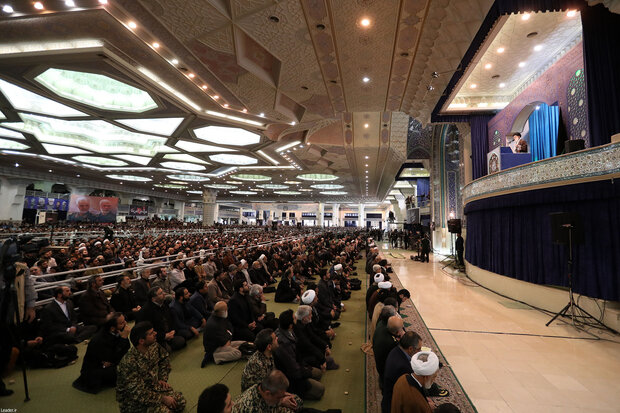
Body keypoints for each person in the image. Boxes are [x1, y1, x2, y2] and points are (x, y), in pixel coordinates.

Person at [116, 321, 186, 413]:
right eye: (151, 333)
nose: (155, 333)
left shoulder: (154, 346)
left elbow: (164, 359)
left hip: (152, 388)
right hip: (134, 402)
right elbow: (137, 393)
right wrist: (162, 399)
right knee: (166, 411)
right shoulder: (129, 363)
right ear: (141, 341)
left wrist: (162, 379)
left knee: (180, 402)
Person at [73, 312, 130, 394]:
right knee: (123, 370)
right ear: (112, 328)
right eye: (122, 323)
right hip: (95, 370)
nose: (125, 324)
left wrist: (123, 339)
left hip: (108, 363)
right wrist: (123, 339)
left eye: (124, 321)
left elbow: (125, 350)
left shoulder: (117, 332)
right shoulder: (99, 340)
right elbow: (112, 357)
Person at [274, 310, 324, 401]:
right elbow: (293, 370)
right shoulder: (283, 344)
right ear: (290, 325)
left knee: (318, 373)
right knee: (320, 390)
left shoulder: (288, 330)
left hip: (298, 365)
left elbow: (297, 354)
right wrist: (306, 372)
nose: (296, 318)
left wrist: (305, 367)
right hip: (291, 377)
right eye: (294, 318)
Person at [382, 331, 422, 413]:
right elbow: (411, 393)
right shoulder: (403, 367)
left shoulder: (396, 350)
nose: (420, 352)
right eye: (419, 349)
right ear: (410, 349)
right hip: (393, 406)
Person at [137, 287, 186, 352]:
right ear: (153, 299)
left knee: (183, 338)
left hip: (169, 332)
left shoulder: (164, 303)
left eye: (162, 292)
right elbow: (147, 331)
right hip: (157, 337)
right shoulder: (145, 311)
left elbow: (171, 319)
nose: (164, 294)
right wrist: (164, 336)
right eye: (160, 293)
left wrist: (172, 331)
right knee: (168, 349)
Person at [233, 369, 301, 413]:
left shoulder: (261, 388)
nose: (281, 398)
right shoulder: (250, 408)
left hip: (268, 405)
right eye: (279, 397)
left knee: (296, 400)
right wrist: (281, 402)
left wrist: (281, 401)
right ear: (268, 394)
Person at [202, 301, 243, 365]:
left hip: (225, 341)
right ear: (220, 312)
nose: (227, 311)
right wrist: (228, 339)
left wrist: (228, 338)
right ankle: (214, 357)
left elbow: (230, 328)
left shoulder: (221, 317)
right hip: (215, 348)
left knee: (243, 343)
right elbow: (223, 341)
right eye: (226, 310)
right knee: (237, 353)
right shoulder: (213, 324)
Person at [373, 315, 404, 385]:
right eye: (402, 328)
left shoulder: (381, 324)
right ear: (398, 332)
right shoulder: (392, 343)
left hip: (380, 364)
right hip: (385, 373)